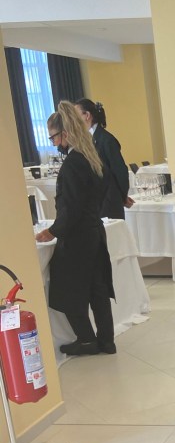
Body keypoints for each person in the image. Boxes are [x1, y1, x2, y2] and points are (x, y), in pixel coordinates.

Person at [35, 101, 116, 356]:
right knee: (97, 289)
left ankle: (86, 339)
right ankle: (106, 341)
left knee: (65, 287)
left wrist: (52, 231)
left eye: (54, 137)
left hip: (78, 237)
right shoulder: (91, 158)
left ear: (66, 133)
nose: (54, 143)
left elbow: (70, 208)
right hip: (94, 232)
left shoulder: (72, 163)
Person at [74, 98, 134, 219]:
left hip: (109, 202)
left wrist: (122, 197)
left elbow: (120, 171)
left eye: (76, 116)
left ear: (87, 115)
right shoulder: (86, 140)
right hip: (95, 202)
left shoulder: (106, 140)